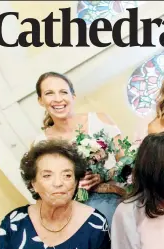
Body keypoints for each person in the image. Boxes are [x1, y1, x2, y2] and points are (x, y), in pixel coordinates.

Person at [32, 71, 124, 225]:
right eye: (49, 93)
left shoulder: (101, 120)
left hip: (115, 199)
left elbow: (127, 163)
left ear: (73, 96)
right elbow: (43, 191)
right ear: (41, 100)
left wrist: (103, 176)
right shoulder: (41, 143)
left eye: (63, 92)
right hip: (75, 213)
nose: (58, 99)